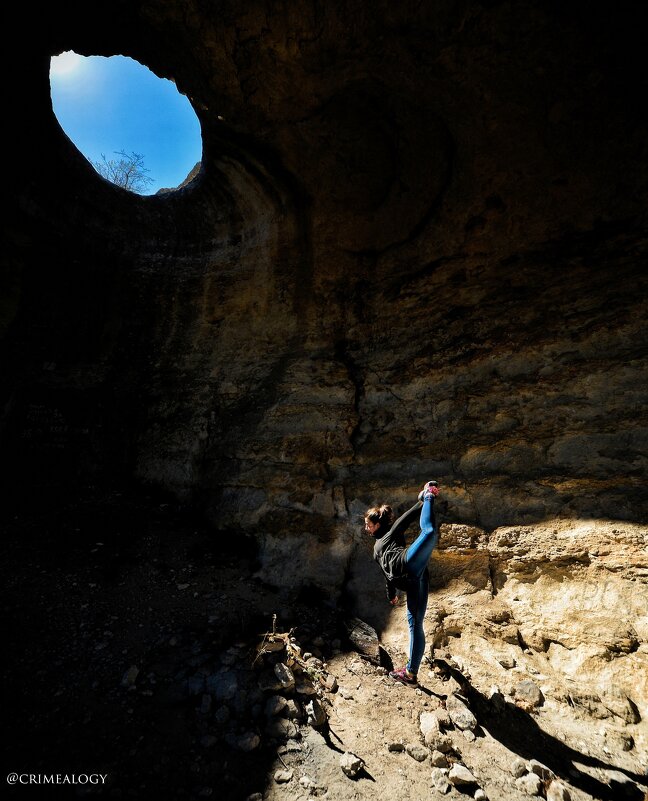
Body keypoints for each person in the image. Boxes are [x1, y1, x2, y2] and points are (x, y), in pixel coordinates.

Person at [364, 480, 440, 686]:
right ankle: (410, 674)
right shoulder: (376, 549)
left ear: (377, 525)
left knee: (429, 533)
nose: (366, 528)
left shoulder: (389, 533)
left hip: (409, 563)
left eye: (368, 525)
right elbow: (387, 574)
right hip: (414, 581)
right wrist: (391, 595)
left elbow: (405, 520)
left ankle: (431, 495)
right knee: (416, 624)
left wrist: (422, 500)